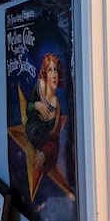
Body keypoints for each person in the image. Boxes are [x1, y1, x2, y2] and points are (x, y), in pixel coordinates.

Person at [25, 53, 68, 189]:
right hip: (31, 132)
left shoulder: (56, 106)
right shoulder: (39, 88)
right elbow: (28, 108)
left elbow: (54, 141)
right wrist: (37, 105)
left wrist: (44, 152)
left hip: (43, 147)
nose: (54, 74)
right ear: (45, 73)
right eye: (50, 70)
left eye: (56, 70)